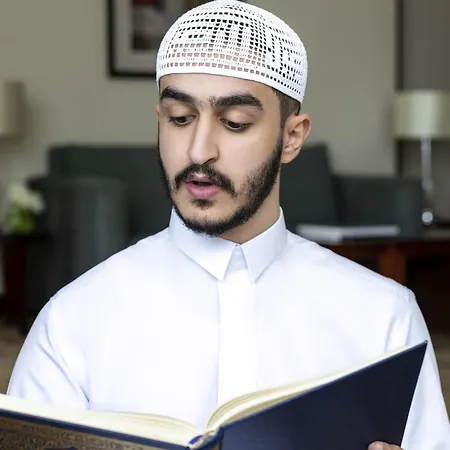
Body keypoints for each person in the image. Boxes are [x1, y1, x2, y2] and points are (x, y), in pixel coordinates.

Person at [6, 1, 450, 449]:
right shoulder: (74, 320)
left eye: (235, 123)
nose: (199, 151)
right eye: (180, 119)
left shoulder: (383, 317)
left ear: (291, 137)